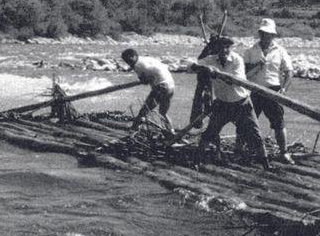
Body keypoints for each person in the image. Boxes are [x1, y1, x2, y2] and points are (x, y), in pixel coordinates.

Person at [192, 36, 270, 169]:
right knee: (210, 131)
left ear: (231, 48)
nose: (224, 50)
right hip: (222, 103)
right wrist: (203, 68)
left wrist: (216, 73)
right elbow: (189, 63)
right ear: (216, 48)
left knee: (254, 133)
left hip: (241, 103)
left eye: (227, 47)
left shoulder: (237, 59)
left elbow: (235, 80)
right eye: (221, 47)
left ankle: (265, 163)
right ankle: (197, 160)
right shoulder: (210, 60)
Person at [243, 18, 294, 164]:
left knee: (278, 122)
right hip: (253, 90)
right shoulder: (250, 51)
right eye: (264, 33)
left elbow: (289, 72)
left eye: (269, 34)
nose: (266, 36)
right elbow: (243, 73)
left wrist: (284, 89)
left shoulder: (280, 51)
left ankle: (283, 153)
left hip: (273, 90)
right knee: (248, 121)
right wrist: (256, 66)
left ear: (273, 35)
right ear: (260, 33)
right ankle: (246, 150)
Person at [121, 48, 174, 132]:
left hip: (161, 86)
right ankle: (171, 131)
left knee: (144, 110)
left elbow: (146, 80)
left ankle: (133, 130)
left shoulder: (138, 65)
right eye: (126, 61)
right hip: (170, 85)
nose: (128, 63)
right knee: (162, 113)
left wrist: (143, 80)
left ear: (134, 56)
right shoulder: (145, 59)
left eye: (129, 60)